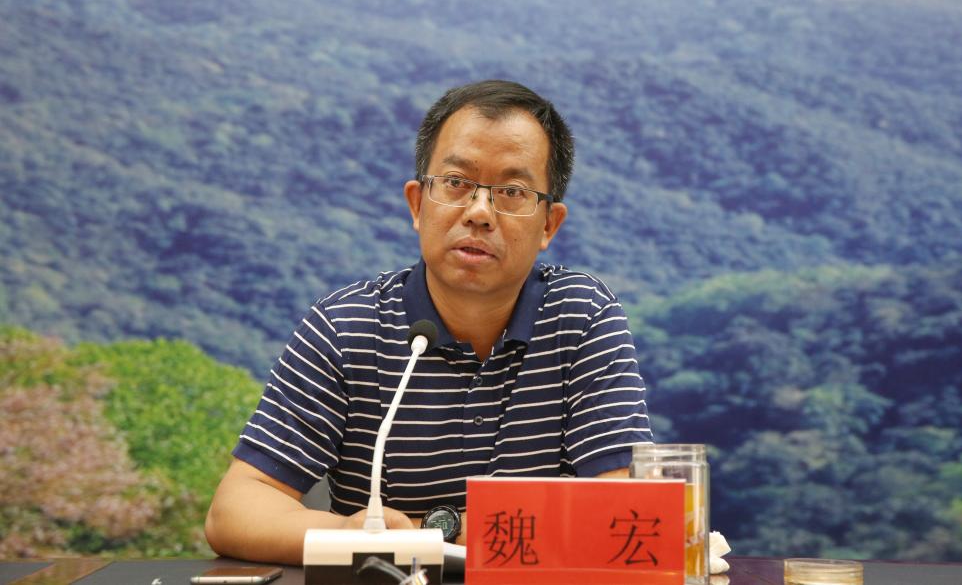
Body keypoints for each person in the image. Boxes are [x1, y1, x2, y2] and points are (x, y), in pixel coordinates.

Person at [205, 80, 653, 564]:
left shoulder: (582, 315)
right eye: (457, 183)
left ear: (549, 224)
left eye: (512, 192)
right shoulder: (344, 326)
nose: (479, 213)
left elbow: (628, 507)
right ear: (418, 204)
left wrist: (438, 532)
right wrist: (351, 534)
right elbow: (236, 510)